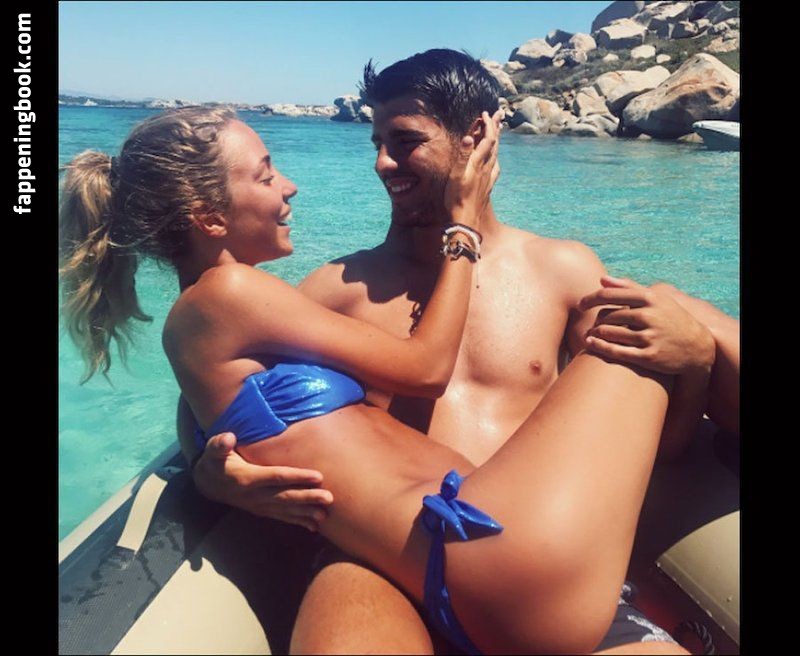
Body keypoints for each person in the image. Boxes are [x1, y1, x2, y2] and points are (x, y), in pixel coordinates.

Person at [60, 95, 698, 655]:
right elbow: (426, 368)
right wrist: (462, 229)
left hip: (464, 571)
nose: (289, 187)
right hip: (495, 562)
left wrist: (208, 471)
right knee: (657, 314)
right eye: (266, 174)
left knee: (659, 322)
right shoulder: (230, 292)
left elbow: (203, 413)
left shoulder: (211, 319)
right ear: (209, 217)